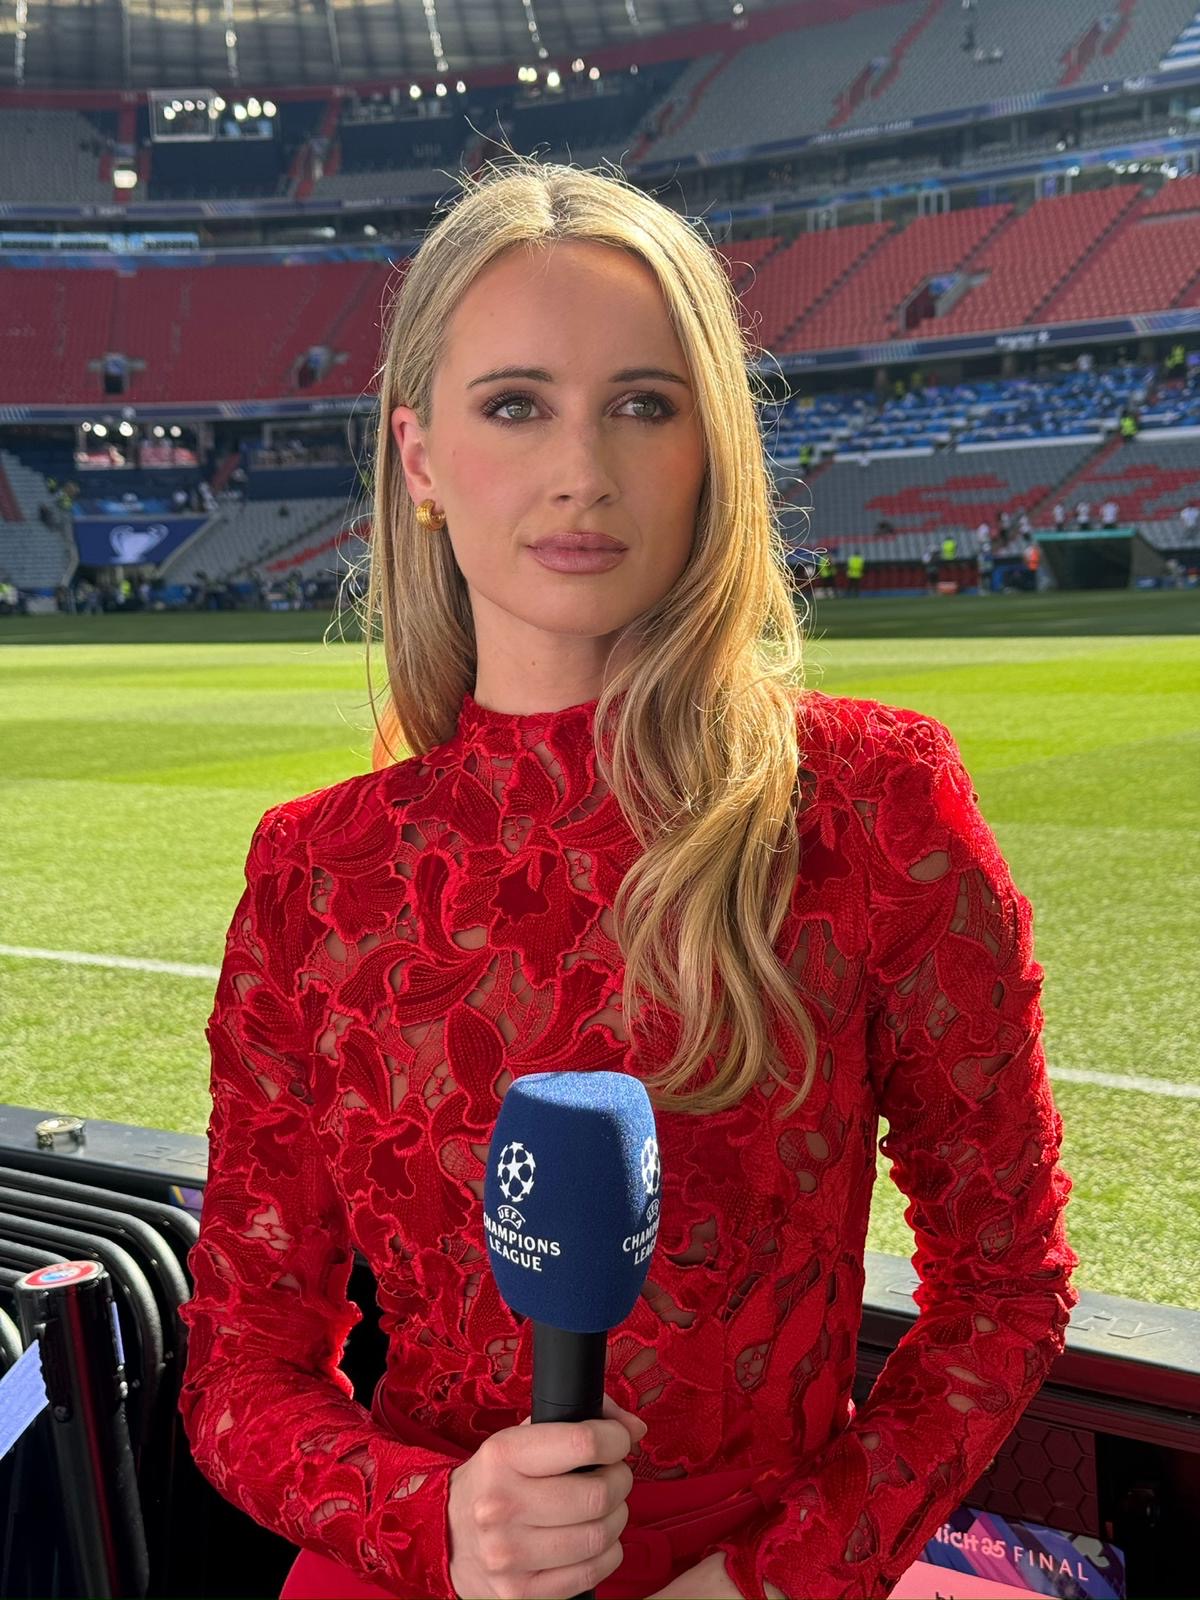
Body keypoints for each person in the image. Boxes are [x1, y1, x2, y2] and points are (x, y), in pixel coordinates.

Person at [179, 157, 1079, 1600]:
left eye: (643, 406)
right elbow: (241, 1374)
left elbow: (1005, 1289)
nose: (581, 471)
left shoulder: (866, 806)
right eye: (516, 405)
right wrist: (438, 1518)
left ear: (708, 447)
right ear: (420, 459)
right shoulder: (318, 876)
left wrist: (764, 1581)